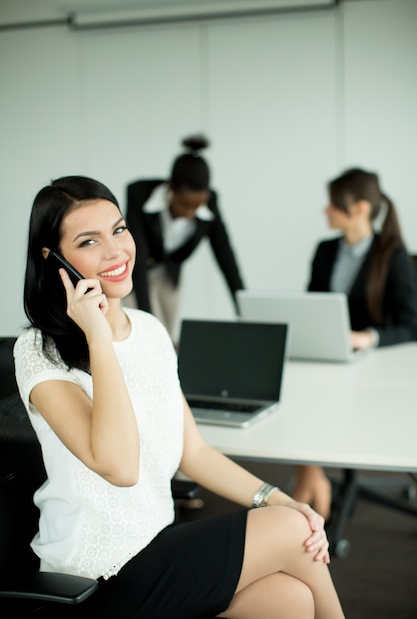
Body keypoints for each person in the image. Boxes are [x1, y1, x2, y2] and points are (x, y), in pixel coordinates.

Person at [14, 175, 345, 619]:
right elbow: (120, 466)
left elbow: (193, 451)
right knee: (290, 532)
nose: (115, 251)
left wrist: (280, 498)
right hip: (95, 577)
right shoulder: (39, 351)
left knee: (290, 599)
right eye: (89, 241)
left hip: (157, 543)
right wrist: (97, 334)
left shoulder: (149, 331)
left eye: (119, 229)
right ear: (53, 259)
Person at [292, 167, 417, 520]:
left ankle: (308, 491)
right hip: (326, 356)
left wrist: (368, 337)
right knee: (294, 383)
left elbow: (411, 325)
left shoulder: (392, 255)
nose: (326, 210)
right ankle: (312, 476)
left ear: (360, 208)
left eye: (333, 204)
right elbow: (311, 308)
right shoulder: (325, 250)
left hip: (370, 366)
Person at [125, 134, 245, 339]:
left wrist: (243, 309)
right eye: (186, 205)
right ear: (171, 188)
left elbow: (225, 254)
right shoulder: (140, 194)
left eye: (197, 206)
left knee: (167, 335)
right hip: (138, 274)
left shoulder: (211, 202)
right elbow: (138, 251)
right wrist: (148, 321)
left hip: (171, 276)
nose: (191, 213)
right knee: (145, 332)